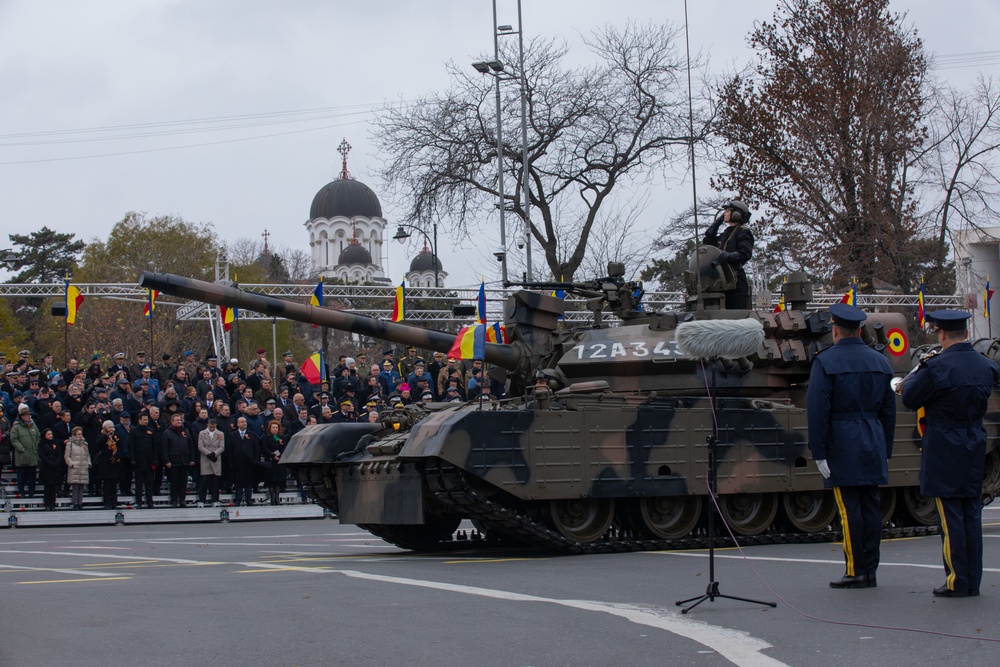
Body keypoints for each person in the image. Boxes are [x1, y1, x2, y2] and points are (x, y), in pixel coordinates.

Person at [901, 310, 1000, 598]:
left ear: (941, 334)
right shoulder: (985, 365)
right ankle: (972, 580)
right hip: (974, 440)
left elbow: (909, 397)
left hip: (945, 442)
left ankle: (956, 579)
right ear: (966, 333)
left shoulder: (936, 366)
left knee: (950, 515)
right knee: (971, 511)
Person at [806, 303, 895, 589]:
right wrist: (887, 448)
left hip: (843, 441)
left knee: (849, 509)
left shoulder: (826, 362)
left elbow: (818, 410)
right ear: (859, 330)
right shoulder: (881, 362)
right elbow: (888, 411)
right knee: (871, 507)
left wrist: (818, 451)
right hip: (873, 437)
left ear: (835, 330)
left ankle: (856, 570)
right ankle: (870, 569)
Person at [702, 200, 754, 309]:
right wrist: (717, 223)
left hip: (736, 280)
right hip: (721, 279)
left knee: (735, 313)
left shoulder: (743, 232)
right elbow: (708, 242)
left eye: (727, 211)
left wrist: (729, 256)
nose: (724, 214)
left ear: (736, 214)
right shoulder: (725, 233)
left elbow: (745, 253)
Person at [161, 412, 195, 507]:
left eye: (180, 420)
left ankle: (182, 500)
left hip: (184, 461)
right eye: (177, 420)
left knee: (183, 483)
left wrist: (192, 458)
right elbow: (164, 448)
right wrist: (167, 461)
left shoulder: (186, 431)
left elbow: (191, 445)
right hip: (173, 462)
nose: (179, 422)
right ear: (172, 421)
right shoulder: (167, 432)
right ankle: (174, 500)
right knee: (174, 483)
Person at [225, 416, 259, 506]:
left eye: (245, 422)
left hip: (249, 463)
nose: (244, 423)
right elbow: (229, 450)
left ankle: (248, 499)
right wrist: (230, 463)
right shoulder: (232, 435)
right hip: (237, 463)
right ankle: (238, 499)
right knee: (238, 483)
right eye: (242, 422)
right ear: (238, 424)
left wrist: (255, 461)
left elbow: (256, 449)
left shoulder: (252, 435)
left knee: (248, 483)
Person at [9, 403, 40, 497]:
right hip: (22, 456)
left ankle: (31, 492)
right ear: (22, 416)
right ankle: (21, 492)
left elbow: (38, 436)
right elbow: (13, 440)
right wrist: (21, 448)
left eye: (29, 415)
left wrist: (36, 446)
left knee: (32, 476)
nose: (28, 416)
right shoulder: (16, 427)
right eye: (26, 415)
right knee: (21, 476)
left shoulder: (33, 426)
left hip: (32, 455)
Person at [93, 420, 124, 509]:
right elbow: (98, 445)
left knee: (114, 484)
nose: (111, 429)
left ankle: (114, 501)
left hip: (114, 463)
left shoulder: (116, 436)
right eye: (109, 427)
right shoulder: (101, 436)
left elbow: (121, 447)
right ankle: (107, 502)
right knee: (106, 484)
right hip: (105, 463)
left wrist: (116, 456)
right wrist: (106, 436)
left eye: (112, 427)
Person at [197, 418, 225, 507]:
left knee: (215, 482)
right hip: (205, 459)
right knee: (204, 481)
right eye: (211, 427)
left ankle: (215, 500)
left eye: (214, 427)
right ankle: (201, 500)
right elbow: (200, 446)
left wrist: (215, 453)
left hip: (216, 459)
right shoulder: (202, 433)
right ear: (207, 425)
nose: (212, 428)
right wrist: (208, 454)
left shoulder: (220, 433)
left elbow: (222, 446)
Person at [64, 426, 91, 510]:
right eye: (78, 434)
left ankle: (80, 503)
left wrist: (89, 463)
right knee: (75, 487)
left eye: (81, 434)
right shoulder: (70, 444)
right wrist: (72, 464)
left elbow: (88, 455)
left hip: (83, 467)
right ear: (74, 435)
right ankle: (75, 503)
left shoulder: (85, 444)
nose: (80, 435)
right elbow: (67, 456)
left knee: (81, 487)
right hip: (75, 468)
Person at [261, 419, 287, 506]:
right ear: (270, 428)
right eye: (273, 427)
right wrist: (272, 455)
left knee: (278, 481)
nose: (275, 429)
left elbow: (283, 448)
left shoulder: (281, 437)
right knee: (271, 481)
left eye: (276, 427)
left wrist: (280, 456)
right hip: (270, 461)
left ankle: (277, 498)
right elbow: (265, 448)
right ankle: (272, 498)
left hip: (279, 462)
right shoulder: (266, 437)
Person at [37, 428, 64, 510]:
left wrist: (57, 462)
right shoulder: (41, 444)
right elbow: (42, 456)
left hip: (55, 468)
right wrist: (50, 463)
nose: (50, 435)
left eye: (51, 434)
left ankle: (53, 503)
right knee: (47, 487)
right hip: (46, 468)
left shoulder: (55, 443)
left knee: (54, 488)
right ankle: (47, 504)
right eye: (48, 434)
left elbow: (59, 454)